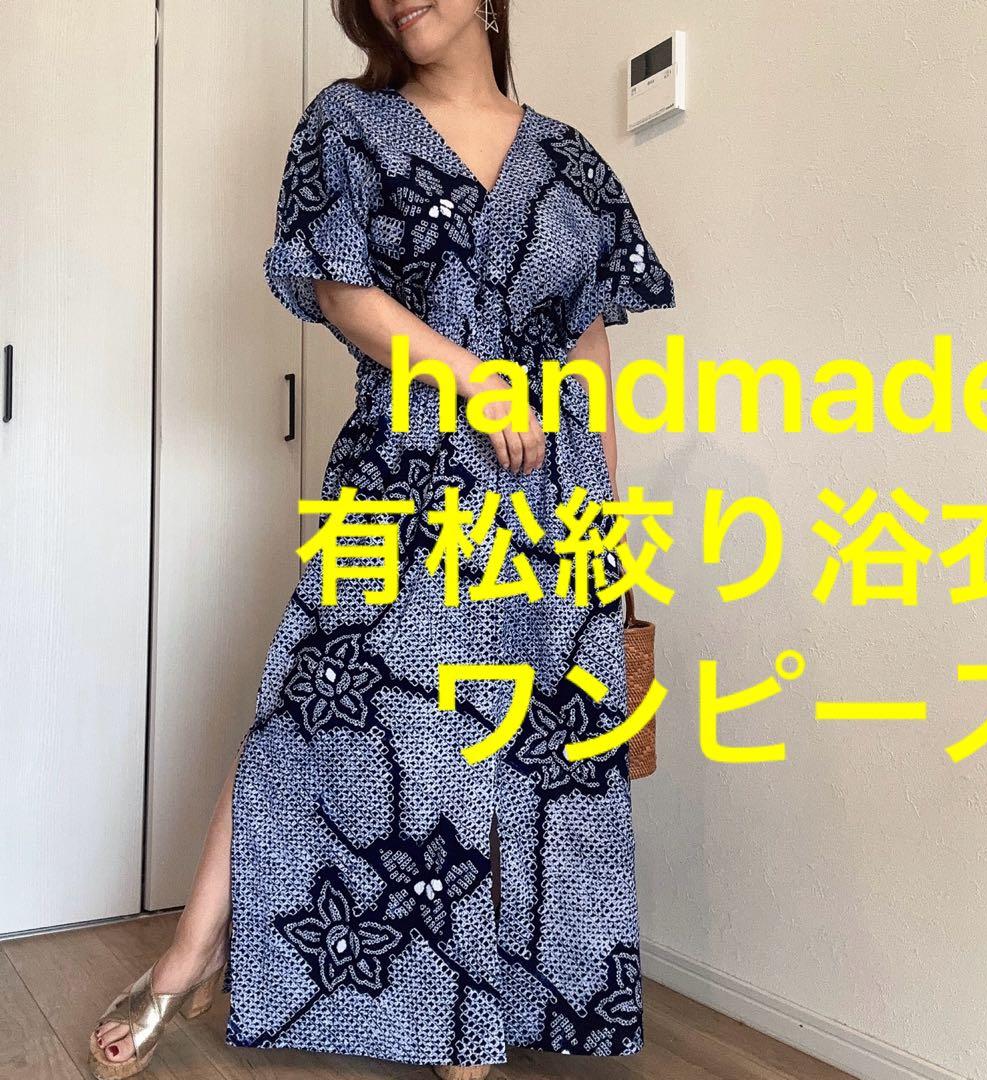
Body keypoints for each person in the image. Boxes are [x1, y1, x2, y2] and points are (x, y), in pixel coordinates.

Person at [89, 1, 675, 1077]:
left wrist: (608, 517)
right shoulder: (349, 122)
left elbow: (588, 344)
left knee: (515, 744)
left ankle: (469, 1013)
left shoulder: (571, 163)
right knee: (316, 699)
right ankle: (197, 945)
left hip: (548, 495)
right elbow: (338, 290)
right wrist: (472, 376)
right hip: (406, 469)